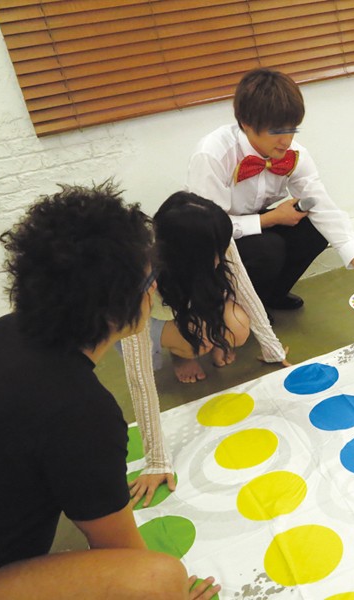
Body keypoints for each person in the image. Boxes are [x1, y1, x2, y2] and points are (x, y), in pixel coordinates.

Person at [0, 183, 219, 599]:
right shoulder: (81, 412)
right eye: (151, 280)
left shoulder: (6, 329)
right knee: (160, 579)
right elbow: (121, 553)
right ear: (116, 307)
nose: (155, 289)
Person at [122, 191, 290, 507]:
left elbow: (244, 289)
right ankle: (182, 352)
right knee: (196, 338)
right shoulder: (138, 277)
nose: (220, 256)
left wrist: (272, 349)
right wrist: (156, 459)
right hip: (154, 321)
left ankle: (205, 340)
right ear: (186, 253)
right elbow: (137, 373)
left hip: (191, 301)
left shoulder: (210, 236)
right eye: (213, 253)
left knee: (237, 327)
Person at [186, 68, 354, 312]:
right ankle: (240, 310)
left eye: (292, 128)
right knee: (267, 248)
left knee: (313, 229)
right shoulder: (213, 154)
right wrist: (269, 219)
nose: (287, 140)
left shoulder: (294, 154)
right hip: (209, 241)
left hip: (249, 226)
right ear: (246, 124)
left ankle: (270, 296)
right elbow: (209, 231)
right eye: (276, 131)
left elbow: (323, 206)